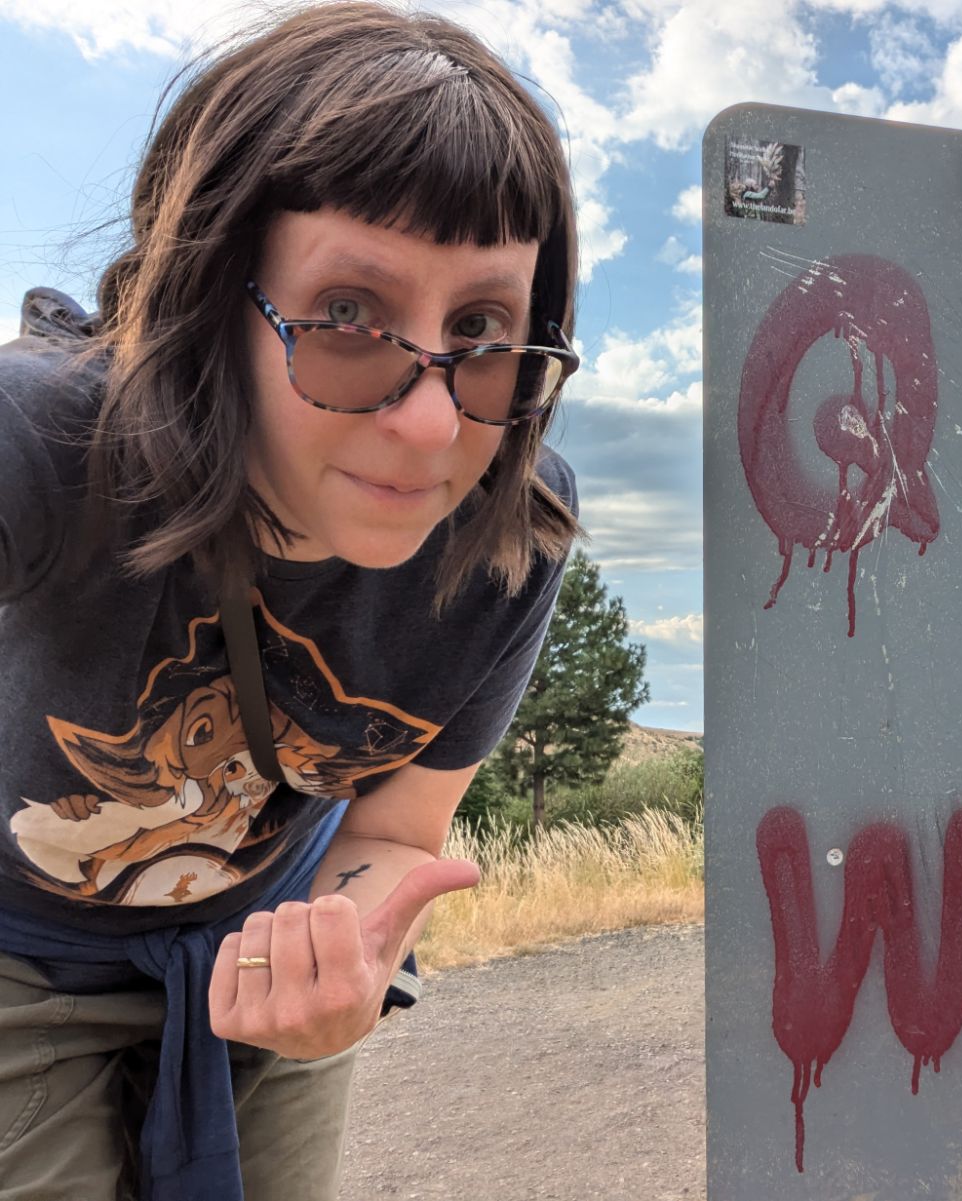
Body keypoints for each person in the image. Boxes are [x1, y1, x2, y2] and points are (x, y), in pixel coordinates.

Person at [0, 5, 581, 1199]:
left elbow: (391, 833)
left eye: (481, 330)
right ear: (214, 302)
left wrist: (349, 957)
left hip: (268, 933)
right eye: (350, 318)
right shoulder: (38, 446)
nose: (430, 422)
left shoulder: (510, 537)